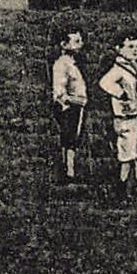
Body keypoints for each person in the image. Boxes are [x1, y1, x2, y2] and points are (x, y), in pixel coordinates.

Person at [97, 28, 137, 201]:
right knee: (126, 153)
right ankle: (123, 189)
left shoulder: (135, 67)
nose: (135, 50)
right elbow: (105, 82)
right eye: (130, 46)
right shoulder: (119, 68)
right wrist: (121, 94)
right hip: (127, 116)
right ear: (119, 49)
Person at [49, 27, 89, 184]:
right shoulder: (62, 64)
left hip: (75, 105)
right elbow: (59, 89)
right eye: (76, 41)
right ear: (64, 45)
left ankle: (69, 169)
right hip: (68, 106)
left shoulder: (72, 63)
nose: (80, 44)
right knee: (68, 138)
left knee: (73, 138)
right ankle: (67, 170)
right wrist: (69, 102)